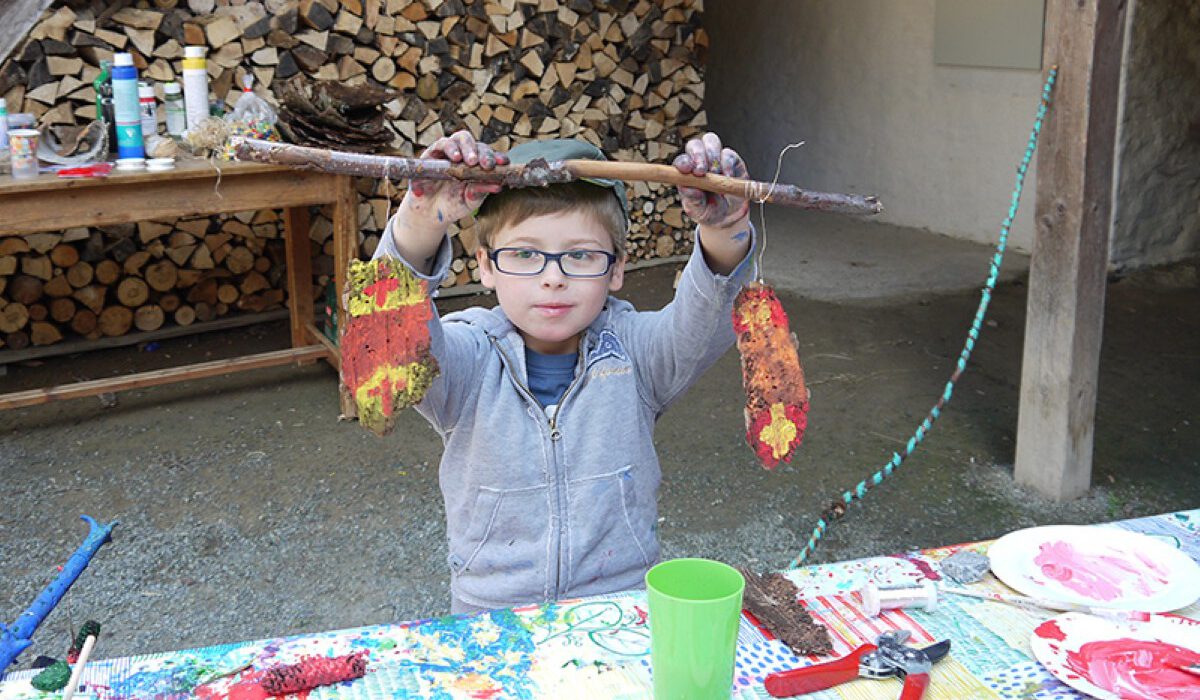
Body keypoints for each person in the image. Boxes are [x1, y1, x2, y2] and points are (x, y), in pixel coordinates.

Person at [373, 129, 756, 615]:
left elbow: (704, 319)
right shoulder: (466, 361)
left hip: (620, 608)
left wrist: (725, 230)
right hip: (491, 616)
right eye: (525, 254)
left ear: (615, 269)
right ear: (486, 266)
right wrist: (420, 218)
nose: (553, 277)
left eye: (579, 255)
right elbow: (390, 337)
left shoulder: (637, 354)